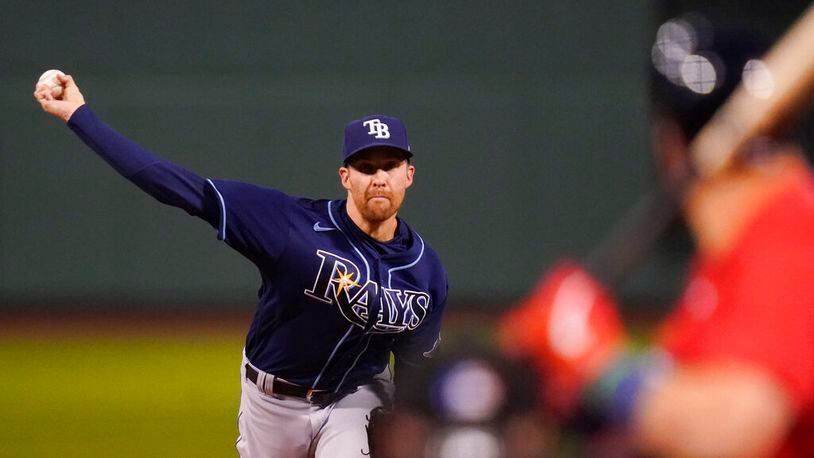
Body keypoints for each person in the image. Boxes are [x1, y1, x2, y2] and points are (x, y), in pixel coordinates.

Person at [33, 74, 448, 458]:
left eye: (390, 166)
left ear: (408, 175)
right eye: (366, 166)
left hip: (355, 397)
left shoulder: (424, 271)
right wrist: (78, 115)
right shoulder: (288, 225)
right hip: (271, 401)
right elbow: (176, 186)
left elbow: (415, 371)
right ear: (345, 176)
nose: (379, 177)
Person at [500, 16, 814, 457]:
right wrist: (582, 389)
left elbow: (732, 431)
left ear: (668, 145)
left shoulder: (792, 236)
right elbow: (681, 391)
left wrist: (594, 361)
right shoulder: (737, 251)